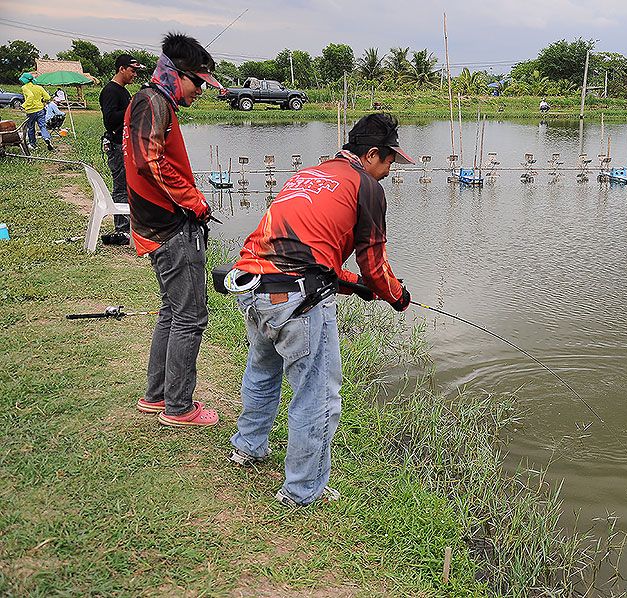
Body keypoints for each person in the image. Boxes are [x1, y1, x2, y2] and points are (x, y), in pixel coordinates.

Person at [228, 113, 414, 507]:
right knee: (318, 398)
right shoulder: (367, 188)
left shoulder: (309, 174)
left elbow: (312, 256)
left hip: (252, 283)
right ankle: (302, 490)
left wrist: (357, 289)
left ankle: (247, 447)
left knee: (262, 371)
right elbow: (375, 267)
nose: (390, 171)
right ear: (372, 155)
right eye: (390, 162)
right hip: (296, 300)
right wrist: (395, 296)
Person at [123, 32, 223, 427]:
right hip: (170, 228)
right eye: (198, 82)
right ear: (176, 73)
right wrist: (193, 201)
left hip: (157, 224)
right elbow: (151, 161)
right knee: (191, 317)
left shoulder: (152, 102)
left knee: (172, 311)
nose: (200, 90)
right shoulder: (152, 101)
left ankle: (156, 395)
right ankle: (179, 407)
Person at [100, 54, 146, 244]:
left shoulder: (123, 90)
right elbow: (110, 120)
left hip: (126, 145)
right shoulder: (111, 91)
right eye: (133, 70)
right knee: (120, 187)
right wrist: (132, 107)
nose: (135, 74)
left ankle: (129, 227)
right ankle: (121, 230)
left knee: (128, 186)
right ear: (121, 69)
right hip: (117, 146)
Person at [19, 72, 52, 151]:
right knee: (42, 126)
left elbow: (30, 96)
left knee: (31, 128)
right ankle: (47, 138)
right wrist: (42, 100)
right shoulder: (39, 87)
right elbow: (48, 97)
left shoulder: (24, 87)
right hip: (40, 110)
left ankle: (33, 144)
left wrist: (23, 105)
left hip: (30, 111)